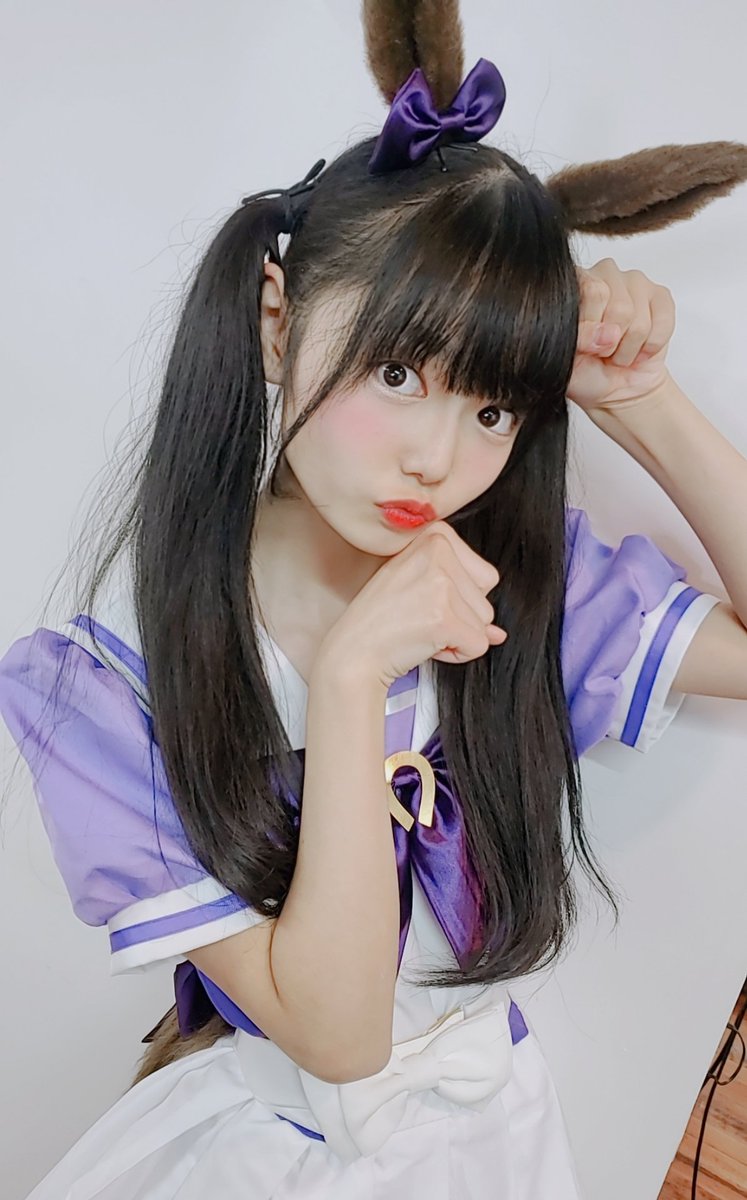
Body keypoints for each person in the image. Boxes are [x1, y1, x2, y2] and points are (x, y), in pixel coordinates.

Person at [1, 1, 746, 1196]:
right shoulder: (107, 685)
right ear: (276, 320)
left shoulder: (509, 593)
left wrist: (642, 399)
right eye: (397, 372)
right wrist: (354, 675)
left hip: (495, 1149)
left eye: (492, 407)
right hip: (268, 1157)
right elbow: (339, 1037)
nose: (439, 459)